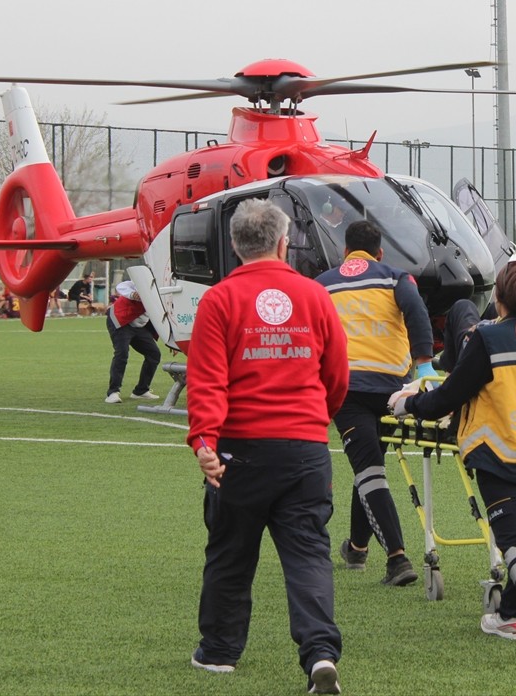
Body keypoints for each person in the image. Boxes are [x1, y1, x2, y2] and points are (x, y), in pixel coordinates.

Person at [185, 199, 349, 694]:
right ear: (284, 242)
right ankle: (320, 654)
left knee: (231, 552)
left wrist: (205, 441)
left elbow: (208, 380)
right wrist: (315, 419)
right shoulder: (315, 296)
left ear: (234, 246)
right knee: (308, 554)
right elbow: (337, 375)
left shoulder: (218, 300)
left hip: (241, 449)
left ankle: (218, 652)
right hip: (303, 448)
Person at [389, 261, 516, 665]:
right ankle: (510, 616)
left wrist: (408, 404)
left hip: (506, 457)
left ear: (499, 297)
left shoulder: (487, 339)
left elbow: (448, 397)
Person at [315, 220, 433, 587]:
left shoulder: (324, 283)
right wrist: (425, 365)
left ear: (345, 252)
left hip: (346, 390)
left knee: (368, 469)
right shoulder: (396, 277)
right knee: (371, 465)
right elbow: (416, 312)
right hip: (391, 390)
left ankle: (397, 558)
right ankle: (357, 547)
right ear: (380, 252)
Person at [104, 281, 160, 404]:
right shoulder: (145, 279)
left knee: (154, 354)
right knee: (122, 353)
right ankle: (113, 392)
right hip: (121, 319)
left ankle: (141, 390)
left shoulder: (166, 285)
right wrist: (133, 294)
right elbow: (122, 286)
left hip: (139, 326)